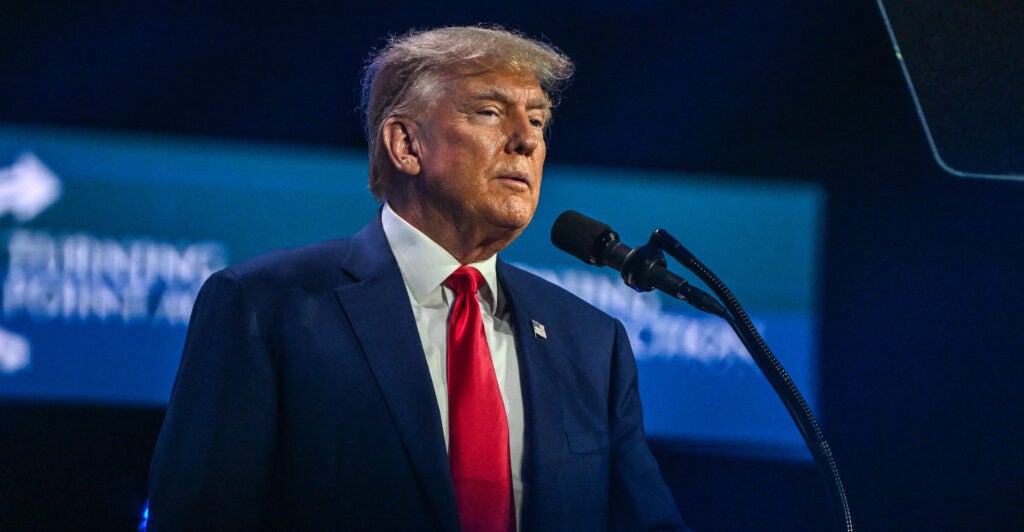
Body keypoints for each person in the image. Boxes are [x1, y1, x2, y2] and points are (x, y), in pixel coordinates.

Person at [147, 25, 687, 531]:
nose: (526, 141)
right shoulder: (267, 307)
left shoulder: (590, 343)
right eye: (490, 112)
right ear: (406, 145)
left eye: (539, 121)